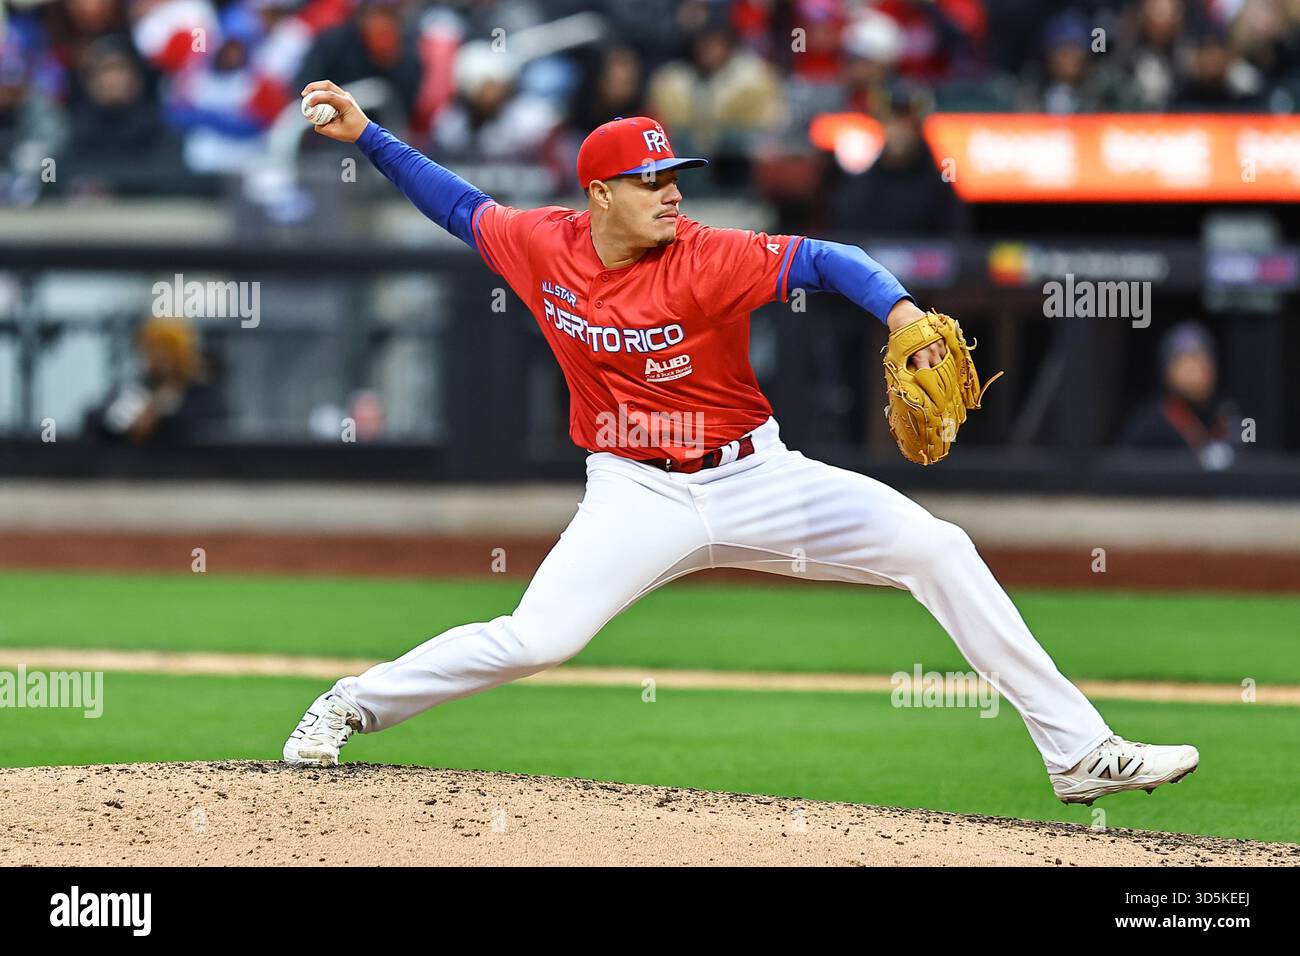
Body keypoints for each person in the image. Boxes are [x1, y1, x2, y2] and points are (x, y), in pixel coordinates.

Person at [282, 80, 1200, 807]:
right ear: (598, 194)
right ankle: (350, 703)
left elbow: (828, 259)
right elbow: (454, 204)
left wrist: (904, 311)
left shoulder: (708, 254)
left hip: (759, 478)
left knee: (939, 548)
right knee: (535, 638)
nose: (670, 190)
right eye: (649, 180)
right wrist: (369, 134)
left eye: (674, 172)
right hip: (635, 493)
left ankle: (1080, 754)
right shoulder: (538, 243)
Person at [1118, 321, 1241, 471]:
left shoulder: (1229, 418)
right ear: (1168, 370)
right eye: (1183, 361)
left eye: (1200, 359)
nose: (1194, 369)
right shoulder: (1149, 424)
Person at [84, 315, 225, 445]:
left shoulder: (200, 392)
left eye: (167, 348)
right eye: (151, 349)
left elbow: (208, 429)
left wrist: (158, 420)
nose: (159, 356)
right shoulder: (138, 388)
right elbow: (100, 422)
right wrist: (129, 425)